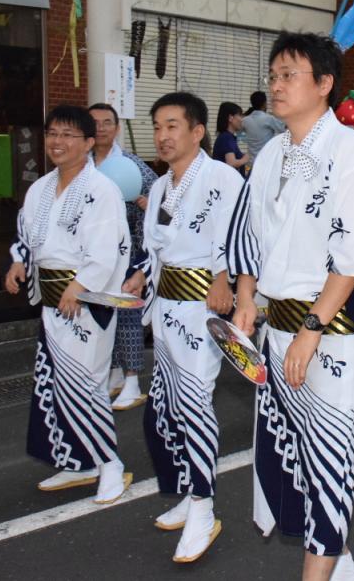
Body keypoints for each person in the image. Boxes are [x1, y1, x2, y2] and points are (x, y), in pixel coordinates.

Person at [227, 32, 354, 580]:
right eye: (273, 75)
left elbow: (353, 254)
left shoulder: (351, 153)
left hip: (332, 332)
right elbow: (252, 239)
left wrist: (312, 328)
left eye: (289, 75)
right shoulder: (271, 152)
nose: (276, 85)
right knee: (294, 455)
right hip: (279, 330)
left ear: (324, 85)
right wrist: (246, 299)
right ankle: (340, 567)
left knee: (330, 460)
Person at [122, 92, 243, 562]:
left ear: (197, 131)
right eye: (157, 127)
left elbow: (235, 235)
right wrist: (140, 276)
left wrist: (222, 277)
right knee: (173, 404)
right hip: (167, 309)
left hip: (201, 309)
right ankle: (191, 490)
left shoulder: (221, 178)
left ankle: (202, 504)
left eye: (173, 126)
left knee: (195, 405)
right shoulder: (162, 187)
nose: (163, 136)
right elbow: (157, 250)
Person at [5, 105, 132, 504]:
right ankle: (81, 461)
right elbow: (26, 237)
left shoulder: (101, 190)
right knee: (59, 383)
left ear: (89, 143)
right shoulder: (40, 188)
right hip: (51, 298)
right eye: (52, 133)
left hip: (85, 298)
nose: (57, 142)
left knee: (87, 383)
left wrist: (79, 287)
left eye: (68, 135)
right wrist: (16, 262)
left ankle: (110, 463)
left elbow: (106, 250)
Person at [88, 102, 159, 411]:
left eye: (107, 122)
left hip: (132, 252)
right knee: (103, 313)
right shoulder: (82, 164)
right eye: (95, 123)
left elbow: (165, 207)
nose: (101, 128)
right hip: (97, 254)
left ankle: (132, 380)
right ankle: (114, 374)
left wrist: (148, 205)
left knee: (129, 315)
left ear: (117, 129)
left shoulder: (133, 165)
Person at [241, 90, 285, 159]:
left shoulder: (245, 120)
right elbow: (284, 129)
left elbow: (240, 134)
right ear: (264, 104)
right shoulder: (268, 118)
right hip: (265, 160)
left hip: (251, 161)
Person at [213, 101, 250, 176]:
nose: (242, 119)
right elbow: (231, 163)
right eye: (240, 115)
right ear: (230, 118)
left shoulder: (228, 137)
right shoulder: (226, 138)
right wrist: (246, 158)